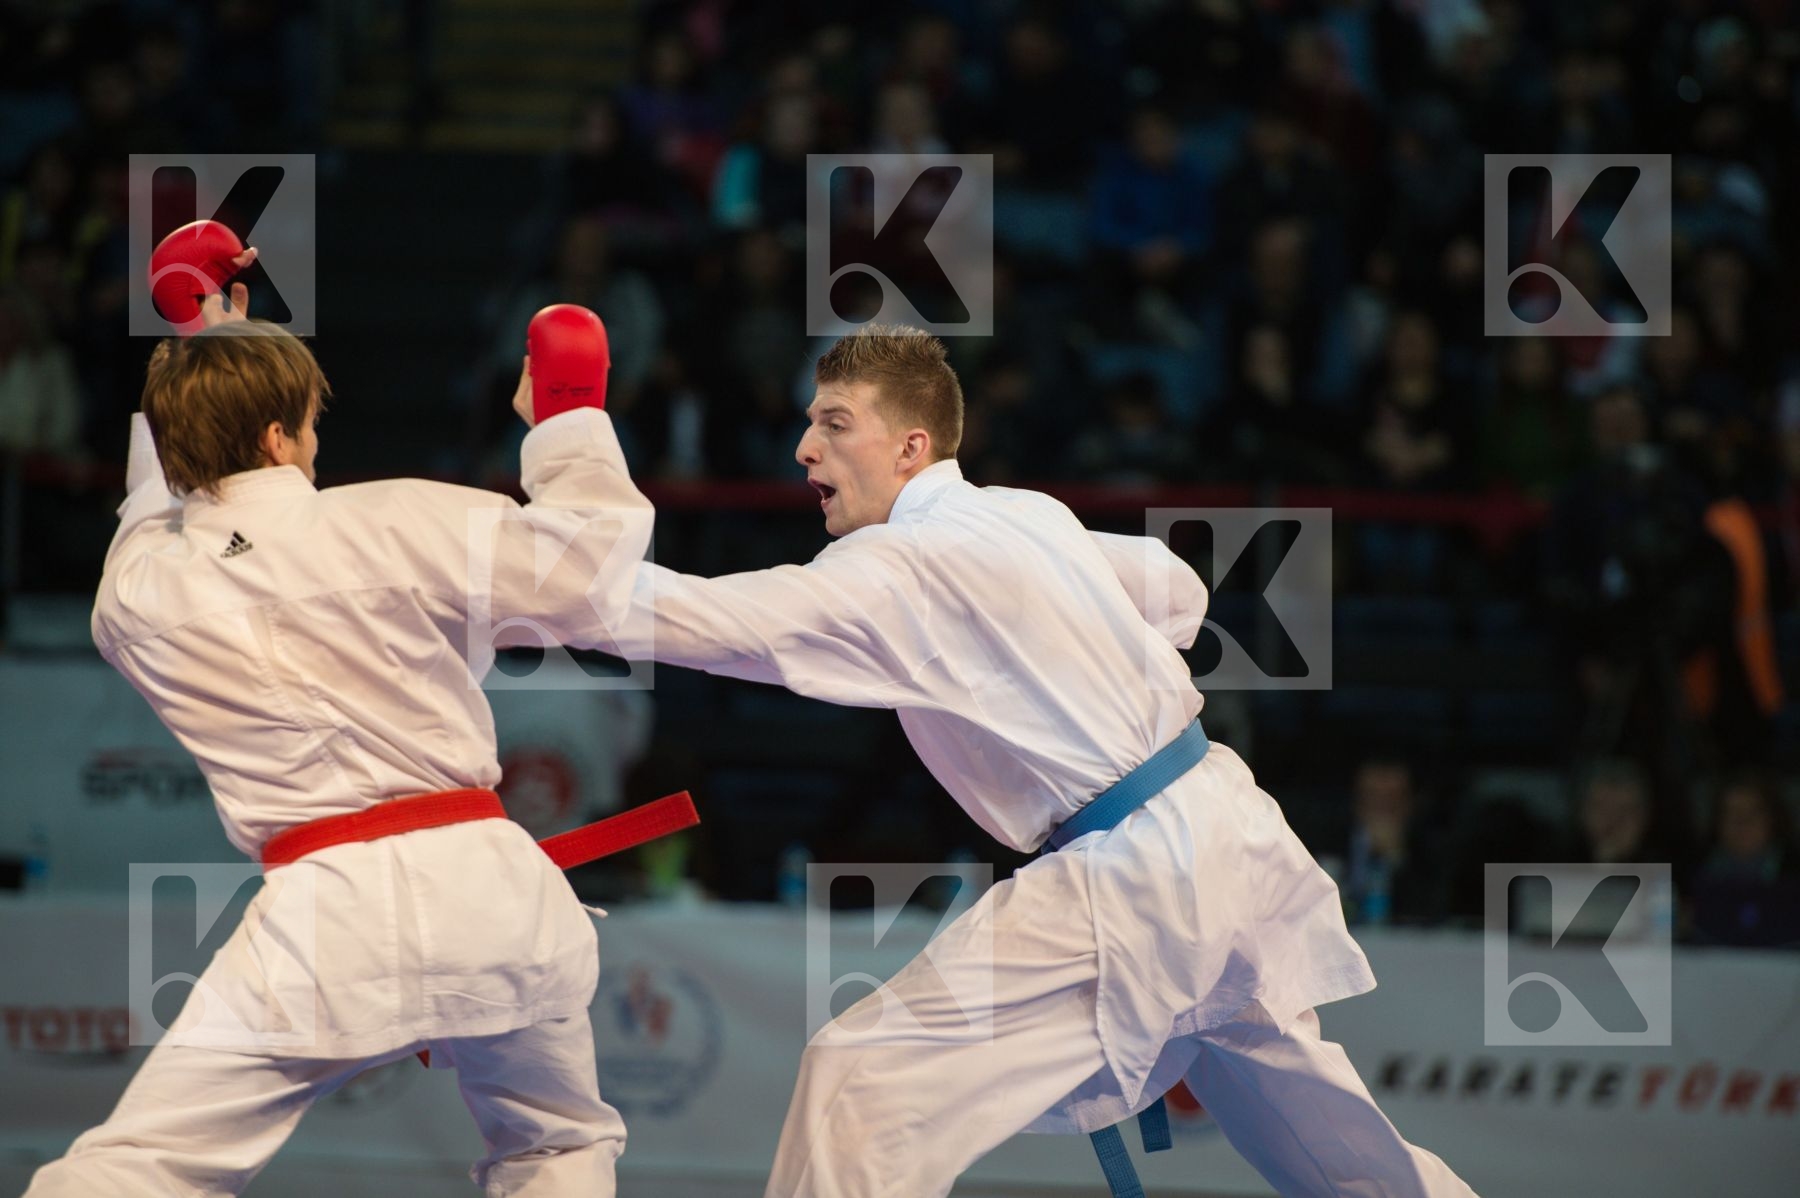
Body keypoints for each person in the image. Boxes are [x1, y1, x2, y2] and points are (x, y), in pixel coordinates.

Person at [597, 325, 1479, 1197]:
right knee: (1347, 1161)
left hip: (1136, 872)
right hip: (1220, 823)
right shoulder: (1027, 513)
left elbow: (719, 623)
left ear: (909, 446)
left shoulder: (904, 560)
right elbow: (1179, 587)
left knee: (862, 1081)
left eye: (833, 424)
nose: (803, 448)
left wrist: (555, 582)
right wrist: (1087, 648)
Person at [26, 275, 653, 1197]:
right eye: (307, 427)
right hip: (491, 890)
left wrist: (200, 338)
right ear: (281, 438)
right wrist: (566, 418)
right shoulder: (398, 516)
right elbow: (591, 579)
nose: (315, 446)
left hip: (325, 918)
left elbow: (148, 509)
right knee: (555, 1147)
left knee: (144, 1166)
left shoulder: (134, 597)